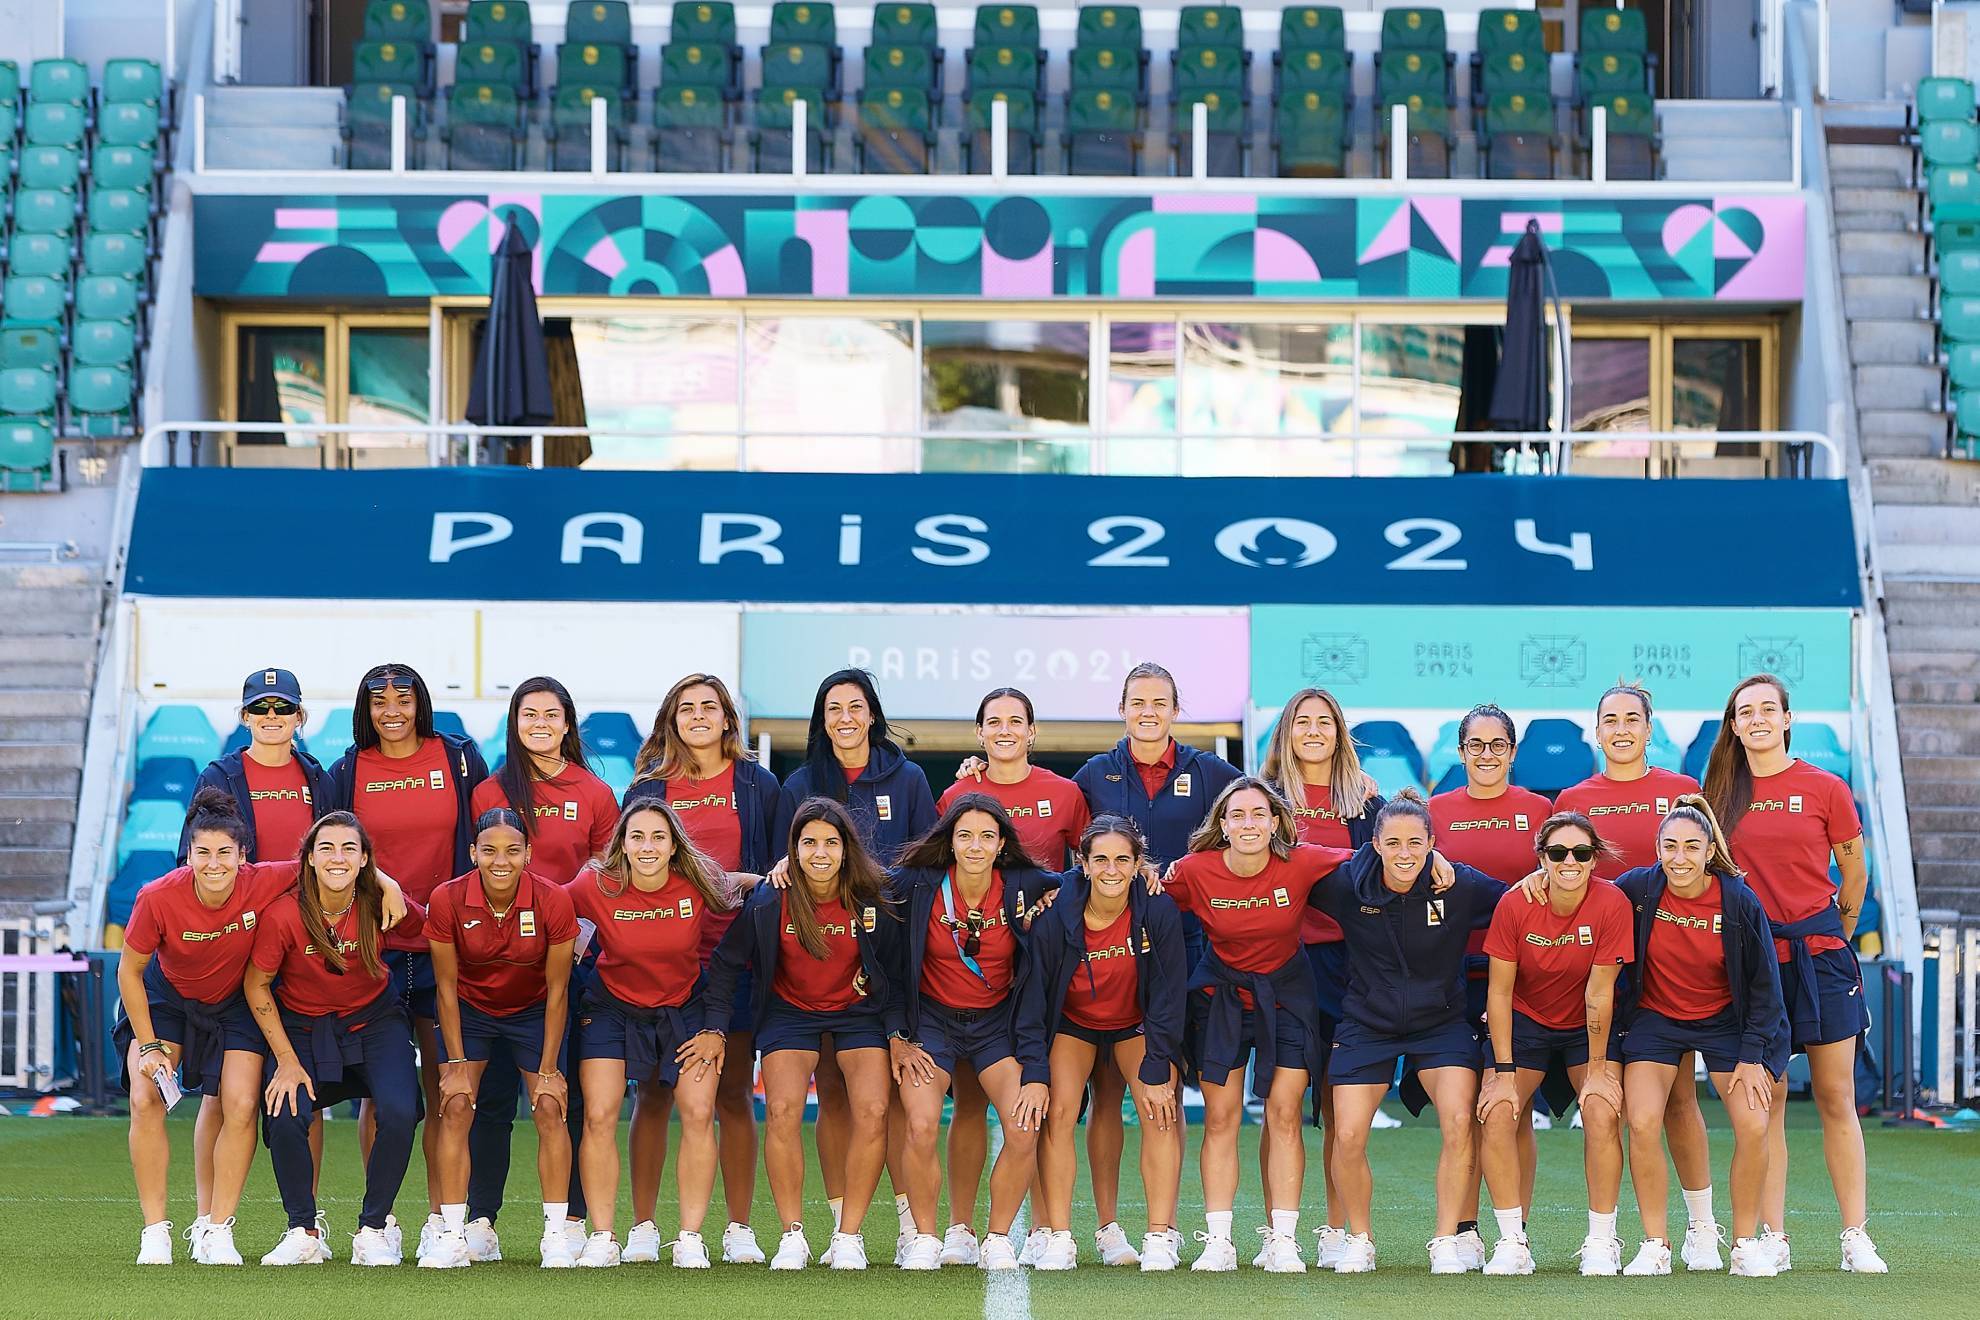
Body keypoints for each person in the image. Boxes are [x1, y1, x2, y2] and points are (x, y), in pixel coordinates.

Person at [1702, 674, 1888, 1273]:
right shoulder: (1718, 792)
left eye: (1766, 709)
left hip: (1821, 957)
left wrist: (1838, 925)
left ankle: (1855, 1235)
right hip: (1753, 965)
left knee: (1837, 1095)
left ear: (1787, 718)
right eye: (1744, 712)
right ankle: (1772, 1238)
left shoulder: (1826, 787)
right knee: (1768, 1101)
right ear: (1733, 726)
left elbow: (1853, 874)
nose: (1756, 719)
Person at [1163, 777, 1387, 1274]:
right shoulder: (1195, 870)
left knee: (1284, 1114)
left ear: (1276, 822)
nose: (1248, 824)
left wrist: (1438, 861)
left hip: (1287, 995)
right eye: (1237, 815)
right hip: (1221, 998)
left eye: (1258, 815)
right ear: (1222, 824)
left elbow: (1373, 855)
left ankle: (1283, 1238)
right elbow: (1149, 894)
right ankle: (1219, 1241)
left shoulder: (1303, 859)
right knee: (1221, 1118)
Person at [1070, 661, 1238, 1266]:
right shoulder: (1092, 776)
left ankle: (1172, 1227)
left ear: (1175, 708)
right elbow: (1059, 848)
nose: (1149, 711)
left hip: (1194, 949)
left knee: (1168, 1085)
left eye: (1161, 702)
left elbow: (1251, 831)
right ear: (1122, 709)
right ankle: (1111, 1229)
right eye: (1138, 701)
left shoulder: (1215, 774)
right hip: (1110, 952)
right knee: (1110, 1091)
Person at [327, 663, 496, 1260]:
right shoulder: (348, 770)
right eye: (379, 700)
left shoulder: (458, 757)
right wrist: (382, 879)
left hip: (442, 946)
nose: (391, 709)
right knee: (382, 1091)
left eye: (403, 698)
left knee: (447, 1082)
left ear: (421, 703)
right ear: (365, 709)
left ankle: (440, 1218)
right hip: (373, 950)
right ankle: (382, 1222)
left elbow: (488, 840)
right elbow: (330, 847)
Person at [939, 688, 1111, 1266]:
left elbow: (1087, 867)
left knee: (1039, 1104)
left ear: (1033, 731)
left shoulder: (1064, 793)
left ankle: (1042, 1227)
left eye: (1017, 721)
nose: (1005, 729)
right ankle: (961, 1229)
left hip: (1045, 970)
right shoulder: (957, 794)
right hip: (974, 973)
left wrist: (1054, 908)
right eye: (994, 721)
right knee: (966, 1105)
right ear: (979, 731)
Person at [1555, 683, 1722, 1269]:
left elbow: (1717, 870)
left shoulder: (1683, 792)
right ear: (1596, 731)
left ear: (1651, 729)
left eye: (1633, 719)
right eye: (1610, 720)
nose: (1621, 729)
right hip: (1598, 972)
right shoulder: (1574, 796)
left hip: (1664, 975)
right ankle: (1613, 1236)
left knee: (1678, 1100)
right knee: (1614, 1108)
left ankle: (1703, 1227)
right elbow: (1559, 872)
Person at [769, 670, 934, 1262]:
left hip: (888, 955)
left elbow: (925, 859)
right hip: (817, 958)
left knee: (884, 1094)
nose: (844, 717)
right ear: (822, 719)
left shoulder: (908, 777)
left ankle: (911, 1216)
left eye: (855, 707)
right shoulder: (800, 783)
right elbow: (781, 864)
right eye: (833, 707)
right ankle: (843, 1219)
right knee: (832, 1093)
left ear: (872, 715)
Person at [696, 797, 897, 1271]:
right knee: (783, 1109)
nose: (820, 853)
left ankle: (849, 1236)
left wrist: (901, 1033)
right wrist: (714, 1028)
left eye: (831, 842)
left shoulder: (872, 895)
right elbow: (725, 963)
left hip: (859, 1013)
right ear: (794, 849)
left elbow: (898, 970)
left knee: (872, 1109)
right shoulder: (770, 899)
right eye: (809, 843)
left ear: (847, 849)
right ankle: (792, 1236)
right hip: (790, 1013)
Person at [623, 672, 781, 1265]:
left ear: (726, 719)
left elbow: (773, 873)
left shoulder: (756, 783)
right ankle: (642, 1226)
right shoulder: (647, 788)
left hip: (734, 958)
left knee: (733, 1093)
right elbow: (624, 869)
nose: (697, 717)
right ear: (671, 718)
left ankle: (739, 1227)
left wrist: (748, 890)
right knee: (655, 1095)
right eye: (685, 708)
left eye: (708, 707)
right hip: (662, 959)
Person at [1315, 789, 1504, 1275]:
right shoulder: (1345, 885)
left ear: (1432, 843)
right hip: (1365, 1022)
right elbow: (1285, 868)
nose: (1405, 854)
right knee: (1349, 1134)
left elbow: (1521, 901)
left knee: (1460, 1122)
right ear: (1374, 844)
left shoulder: (1459, 885)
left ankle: (1446, 1239)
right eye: (1393, 842)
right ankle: (1360, 1238)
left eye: (1416, 844)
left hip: (1441, 1023)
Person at [1607, 796, 1791, 1277]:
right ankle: (1656, 1244)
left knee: (1753, 1124)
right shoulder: (1641, 888)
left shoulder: (1737, 899)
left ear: (1710, 851)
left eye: (1692, 846)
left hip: (1728, 1021)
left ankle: (1746, 1243)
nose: (1680, 857)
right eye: (1671, 846)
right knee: (1643, 1121)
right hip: (1657, 1018)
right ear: (1657, 848)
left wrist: (1753, 1056)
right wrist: (1537, 879)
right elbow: (1590, 897)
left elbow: (1765, 985)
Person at [115, 789, 298, 1266]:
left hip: (235, 1001)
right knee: (145, 1094)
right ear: (189, 854)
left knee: (240, 1103)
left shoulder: (267, 879)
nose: (213, 864)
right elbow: (128, 971)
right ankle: (155, 1231)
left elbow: (329, 861)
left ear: (243, 855)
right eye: (203, 853)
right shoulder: (157, 896)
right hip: (167, 999)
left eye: (224, 853)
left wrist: (383, 882)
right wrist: (150, 1045)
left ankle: (216, 1229)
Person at [468, 677, 619, 1248]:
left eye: (550, 714)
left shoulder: (597, 794)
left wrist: (574, 938)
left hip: (571, 962)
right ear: (515, 722)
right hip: (497, 962)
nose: (539, 723)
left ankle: (574, 1221)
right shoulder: (491, 791)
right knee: (494, 1098)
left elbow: (607, 877)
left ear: (567, 724)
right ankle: (482, 1221)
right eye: (527, 714)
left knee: (567, 1095)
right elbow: (478, 871)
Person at [565, 801, 742, 1268]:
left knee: (699, 1111)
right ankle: (604, 1237)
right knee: (601, 1114)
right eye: (637, 836)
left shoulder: (697, 882)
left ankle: (689, 1238)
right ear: (622, 842)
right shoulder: (594, 884)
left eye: (658, 837)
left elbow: (748, 888)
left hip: (684, 1008)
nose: (647, 846)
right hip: (609, 1008)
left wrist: (784, 873)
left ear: (673, 844)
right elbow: (546, 903)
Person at [243, 812, 424, 1267]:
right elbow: (256, 983)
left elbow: (435, 932)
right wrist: (285, 1059)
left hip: (375, 1024)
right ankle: (302, 1230)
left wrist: (393, 887)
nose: (337, 858)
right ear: (308, 859)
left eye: (349, 849)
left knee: (401, 1112)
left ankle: (375, 1228)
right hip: (304, 1028)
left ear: (365, 859)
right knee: (284, 1113)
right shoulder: (284, 912)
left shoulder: (380, 903)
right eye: (326, 848)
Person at [885, 794, 1052, 1271]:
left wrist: (1144, 873)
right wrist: (897, 1034)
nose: (975, 846)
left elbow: (1093, 881)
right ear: (950, 841)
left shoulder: (1024, 883)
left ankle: (998, 1237)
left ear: (1002, 844)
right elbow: (856, 885)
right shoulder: (917, 884)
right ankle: (926, 1237)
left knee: (1024, 1124)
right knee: (919, 1125)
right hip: (931, 1024)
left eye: (986, 836)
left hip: (997, 1025)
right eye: (964, 836)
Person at [1018, 815, 1187, 1271]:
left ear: (1138, 865)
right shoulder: (1056, 914)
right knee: (1058, 1110)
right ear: (1084, 864)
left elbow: (1170, 995)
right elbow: (1034, 997)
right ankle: (1058, 1234)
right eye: (1101, 860)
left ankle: (1156, 1236)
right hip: (1074, 1024)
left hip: (1135, 1024)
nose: (1111, 870)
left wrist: (1156, 1069)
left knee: (1160, 1107)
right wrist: (1035, 1070)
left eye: (1122, 860)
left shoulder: (1158, 909)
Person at [419, 807, 579, 1269]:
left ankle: (555, 1236)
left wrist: (548, 1070)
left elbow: (558, 989)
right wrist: (453, 1065)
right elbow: (445, 988)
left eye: (512, 850)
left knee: (550, 1106)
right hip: (470, 1010)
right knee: (454, 1105)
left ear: (529, 853)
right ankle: (452, 1235)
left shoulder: (552, 901)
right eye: (489, 850)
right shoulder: (447, 899)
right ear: (473, 853)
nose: (500, 860)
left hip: (532, 1010)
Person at [1257, 686, 1383, 1267]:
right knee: (1283, 1103)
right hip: (1278, 964)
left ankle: (1336, 1231)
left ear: (1339, 733)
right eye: (1301, 722)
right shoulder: (1261, 799)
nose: (1313, 731)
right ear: (1285, 732)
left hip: (1347, 969)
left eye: (1324, 722)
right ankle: (1279, 1231)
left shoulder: (1366, 804)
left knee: (1339, 1103)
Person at [1476, 812, 1632, 1276]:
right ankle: (1511, 1241)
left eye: (1581, 853)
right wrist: (1503, 1074)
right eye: (1557, 853)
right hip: (1525, 1021)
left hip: (1588, 1028)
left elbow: (1600, 992)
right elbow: (1499, 992)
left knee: (1602, 1109)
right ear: (1541, 857)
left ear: (1594, 858)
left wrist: (1600, 1070)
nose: (1569, 861)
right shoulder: (1514, 903)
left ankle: (1603, 1241)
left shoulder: (1612, 903)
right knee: (1497, 1112)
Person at [1428, 702, 1553, 1260]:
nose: (1485, 755)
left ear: (1513, 753)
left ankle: (1513, 1230)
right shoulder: (1435, 811)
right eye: (1475, 745)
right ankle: (1464, 1230)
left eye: (1496, 745)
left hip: (1523, 975)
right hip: (1453, 977)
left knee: (1512, 1106)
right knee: (1465, 1108)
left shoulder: (1538, 810)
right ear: (1460, 752)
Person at [178, 667, 334, 865]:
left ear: (298, 717)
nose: (271, 715)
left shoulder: (318, 779)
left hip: (305, 896)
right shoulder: (217, 779)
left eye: (282, 706)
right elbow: (189, 858)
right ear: (245, 716)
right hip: (243, 896)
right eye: (259, 707)